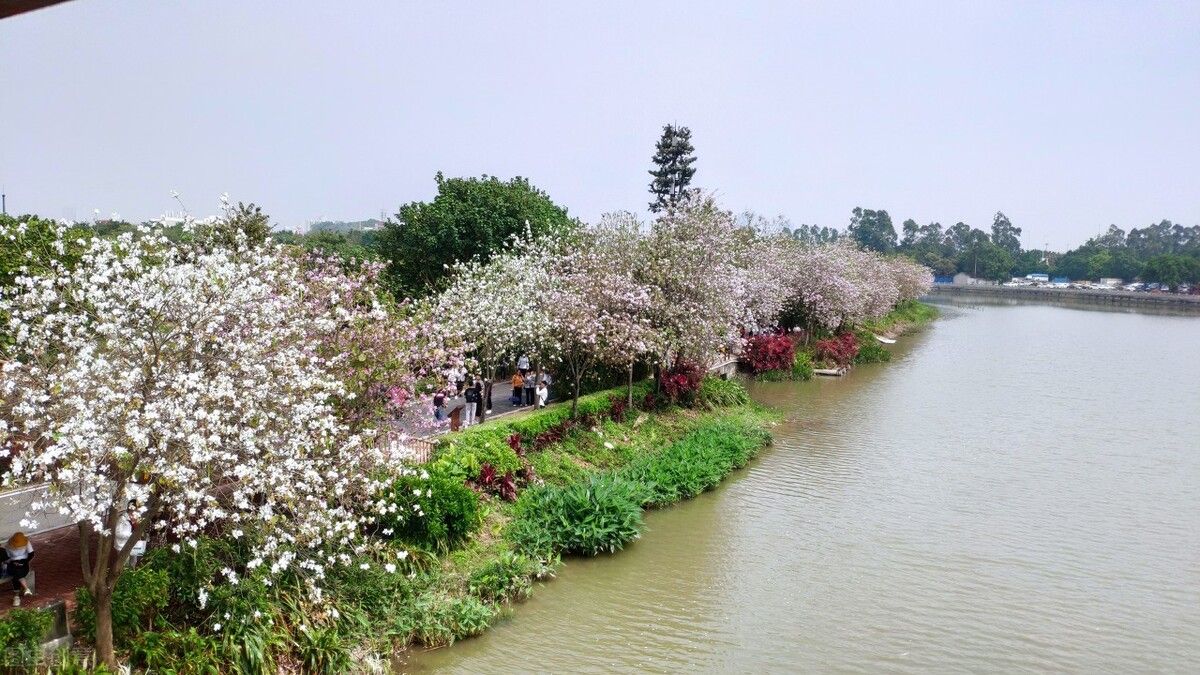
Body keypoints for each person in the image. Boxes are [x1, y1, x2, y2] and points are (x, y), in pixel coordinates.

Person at [114, 501, 148, 568]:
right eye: (137, 509)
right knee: (124, 565)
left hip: (135, 543)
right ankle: (123, 577)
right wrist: (132, 535)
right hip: (123, 545)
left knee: (134, 562)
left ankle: (132, 576)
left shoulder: (137, 517)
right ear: (131, 508)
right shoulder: (122, 519)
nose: (138, 511)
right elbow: (118, 533)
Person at [4, 532, 34, 606]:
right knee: (17, 572)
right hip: (12, 563)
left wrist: (24, 562)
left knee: (16, 576)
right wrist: (13, 562)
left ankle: (16, 596)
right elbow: (7, 558)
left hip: (24, 563)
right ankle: (26, 589)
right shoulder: (8, 545)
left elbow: (31, 554)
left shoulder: (26, 542)